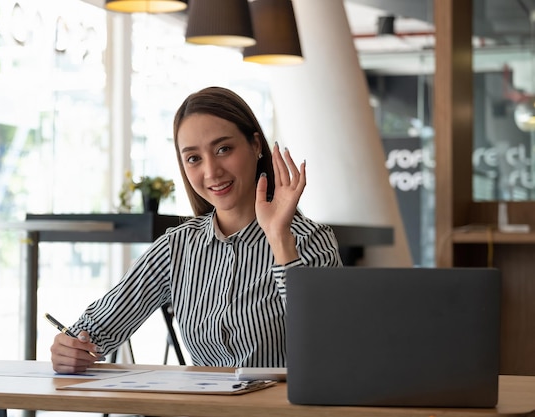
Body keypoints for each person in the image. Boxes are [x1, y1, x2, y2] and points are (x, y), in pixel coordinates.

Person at [50, 86, 342, 373]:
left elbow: (330, 344)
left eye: (224, 149)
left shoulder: (311, 241)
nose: (211, 171)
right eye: (194, 158)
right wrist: (68, 348)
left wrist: (280, 238)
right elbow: (93, 334)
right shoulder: (177, 246)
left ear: (255, 145)